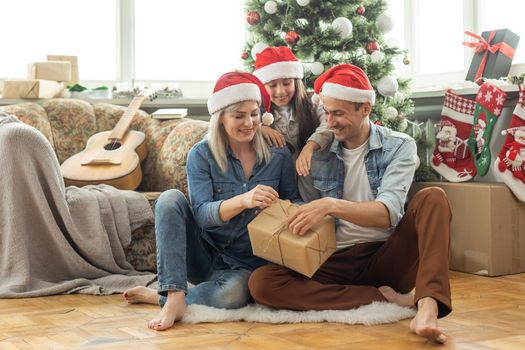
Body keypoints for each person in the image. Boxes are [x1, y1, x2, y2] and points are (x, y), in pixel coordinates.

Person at [248, 64, 452, 344]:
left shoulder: (399, 146)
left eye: (339, 114)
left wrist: (332, 205)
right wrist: (281, 212)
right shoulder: (317, 156)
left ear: (365, 109)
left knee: (433, 197)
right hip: (335, 258)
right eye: (327, 112)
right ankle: (383, 297)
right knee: (262, 283)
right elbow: (307, 214)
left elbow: (388, 214)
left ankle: (427, 305)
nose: (329, 122)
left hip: (387, 255)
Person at [123, 72, 299, 331]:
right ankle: (173, 295)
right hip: (203, 253)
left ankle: (160, 297)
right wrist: (244, 200)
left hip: (247, 261)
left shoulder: (278, 155)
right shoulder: (201, 155)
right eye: (239, 116)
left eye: (253, 113)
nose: (249, 123)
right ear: (220, 119)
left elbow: (294, 198)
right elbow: (202, 214)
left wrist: (292, 211)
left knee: (233, 296)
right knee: (169, 199)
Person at [253, 46, 332, 177]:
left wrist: (310, 146)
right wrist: (258, 129)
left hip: (311, 179)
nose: (281, 91)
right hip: (275, 182)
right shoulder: (256, 112)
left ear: (295, 82)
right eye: (272, 85)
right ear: (262, 87)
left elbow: (329, 123)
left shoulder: (313, 102)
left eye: (287, 83)